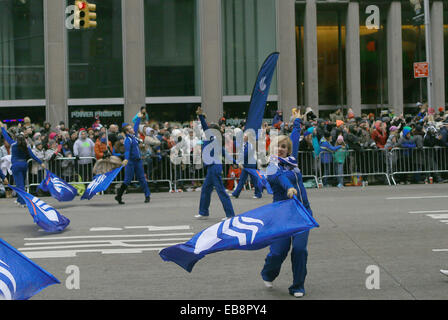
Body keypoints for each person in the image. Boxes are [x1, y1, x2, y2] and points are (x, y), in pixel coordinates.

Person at [261, 109, 313, 298]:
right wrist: (290, 188)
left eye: (284, 146)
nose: (281, 148)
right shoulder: (272, 168)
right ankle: (268, 273)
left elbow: (295, 135)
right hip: (282, 214)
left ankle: (298, 285)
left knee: (300, 250)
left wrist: (297, 120)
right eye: (278, 146)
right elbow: (282, 179)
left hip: (301, 212)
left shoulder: (292, 161)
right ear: (272, 148)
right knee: (279, 252)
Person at [194, 107, 235, 220]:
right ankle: (203, 212)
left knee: (220, 191)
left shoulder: (212, 138)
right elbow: (224, 152)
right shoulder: (212, 141)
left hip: (214, 168)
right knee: (206, 190)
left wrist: (201, 117)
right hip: (212, 168)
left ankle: (230, 214)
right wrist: (235, 162)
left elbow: (205, 127)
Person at [0, 122, 45, 206]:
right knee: (22, 184)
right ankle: (19, 199)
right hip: (24, 165)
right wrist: (41, 163)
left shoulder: (13, 144)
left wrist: (2, 128)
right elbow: (33, 156)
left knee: (19, 185)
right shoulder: (26, 146)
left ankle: (23, 202)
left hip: (16, 166)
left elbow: (5, 135)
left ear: (17, 139)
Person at [115, 112, 151, 204]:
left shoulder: (133, 136)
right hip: (131, 162)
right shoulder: (128, 140)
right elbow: (127, 151)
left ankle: (147, 196)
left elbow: (136, 126)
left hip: (138, 161)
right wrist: (126, 159)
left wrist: (138, 118)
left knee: (142, 178)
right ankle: (119, 196)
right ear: (127, 132)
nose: (132, 129)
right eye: (130, 128)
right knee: (127, 180)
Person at [230, 133, 262, 199]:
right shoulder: (245, 145)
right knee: (242, 180)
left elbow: (246, 154)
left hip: (251, 165)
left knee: (255, 180)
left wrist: (239, 161)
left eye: (245, 136)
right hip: (246, 165)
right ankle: (236, 193)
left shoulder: (250, 145)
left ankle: (258, 194)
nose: (243, 137)